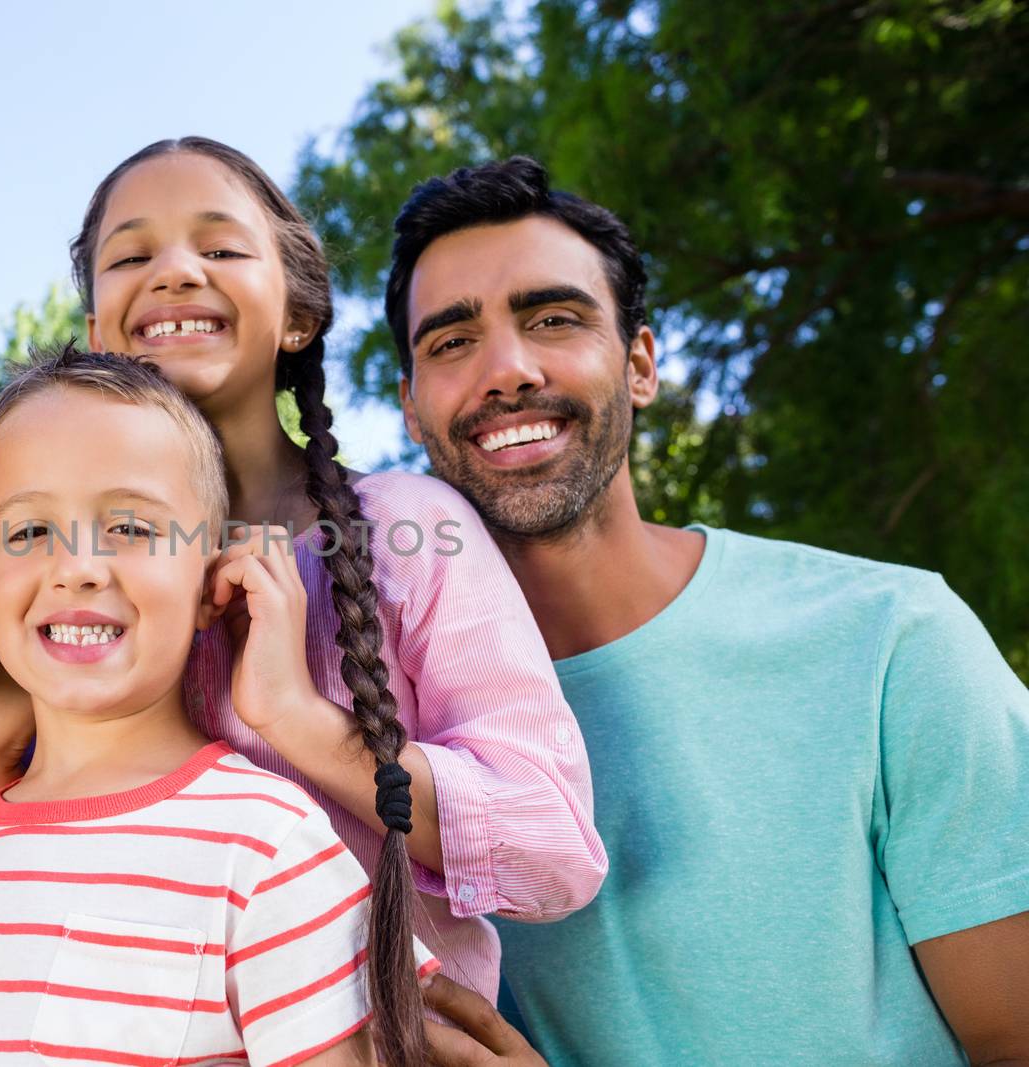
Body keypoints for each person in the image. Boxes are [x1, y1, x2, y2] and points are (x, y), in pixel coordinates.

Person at [385, 156, 1029, 1066]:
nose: (507, 369)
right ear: (412, 407)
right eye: (451, 342)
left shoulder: (892, 637)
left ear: (641, 362)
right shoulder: (375, 728)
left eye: (554, 319)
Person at [65, 138, 608, 1020]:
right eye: (130, 256)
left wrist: (300, 719)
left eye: (220, 247)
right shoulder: (59, 577)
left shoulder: (413, 528)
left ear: (299, 315)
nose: (172, 271)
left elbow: (553, 850)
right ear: (96, 332)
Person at [0, 347, 437, 1064]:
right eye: (29, 531)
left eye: (131, 528)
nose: (75, 566)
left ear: (210, 585)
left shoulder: (269, 848)